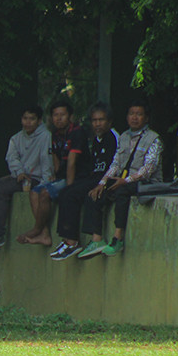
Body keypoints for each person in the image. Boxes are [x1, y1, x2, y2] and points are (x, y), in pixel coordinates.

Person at [78, 101, 163, 259]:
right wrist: (102, 183)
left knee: (122, 192)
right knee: (97, 192)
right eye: (131, 114)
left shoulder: (154, 139)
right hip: (123, 179)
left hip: (146, 183)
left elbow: (148, 169)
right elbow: (115, 164)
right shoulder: (123, 137)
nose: (134, 118)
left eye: (139, 114)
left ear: (146, 118)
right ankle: (97, 239)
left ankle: (118, 238)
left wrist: (126, 180)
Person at [0, 105, 53, 252]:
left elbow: (46, 161)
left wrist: (44, 184)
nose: (28, 122)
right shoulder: (16, 138)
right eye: (25, 118)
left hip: (36, 178)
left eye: (32, 119)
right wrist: (19, 172)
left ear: (39, 121)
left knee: (3, 191)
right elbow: (12, 158)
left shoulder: (45, 136)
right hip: (18, 176)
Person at [50, 102, 119, 260]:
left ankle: (72, 242)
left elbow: (117, 165)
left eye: (101, 120)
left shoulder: (114, 137)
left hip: (107, 179)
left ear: (109, 121)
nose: (97, 123)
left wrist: (102, 183)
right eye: (94, 120)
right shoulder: (96, 140)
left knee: (75, 194)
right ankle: (67, 241)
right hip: (94, 177)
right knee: (67, 191)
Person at [20, 99, 90, 247]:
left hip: (78, 178)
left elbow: (72, 162)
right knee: (34, 192)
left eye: (62, 115)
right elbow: (55, 158)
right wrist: (55, 176)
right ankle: (44, 235)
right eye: (55, 115)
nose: (58, 118)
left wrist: (69, 187)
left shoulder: (77, 132)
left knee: (45, 193)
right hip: (61, 177)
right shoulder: (55, 135)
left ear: (70, 116)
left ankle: (36, 229)